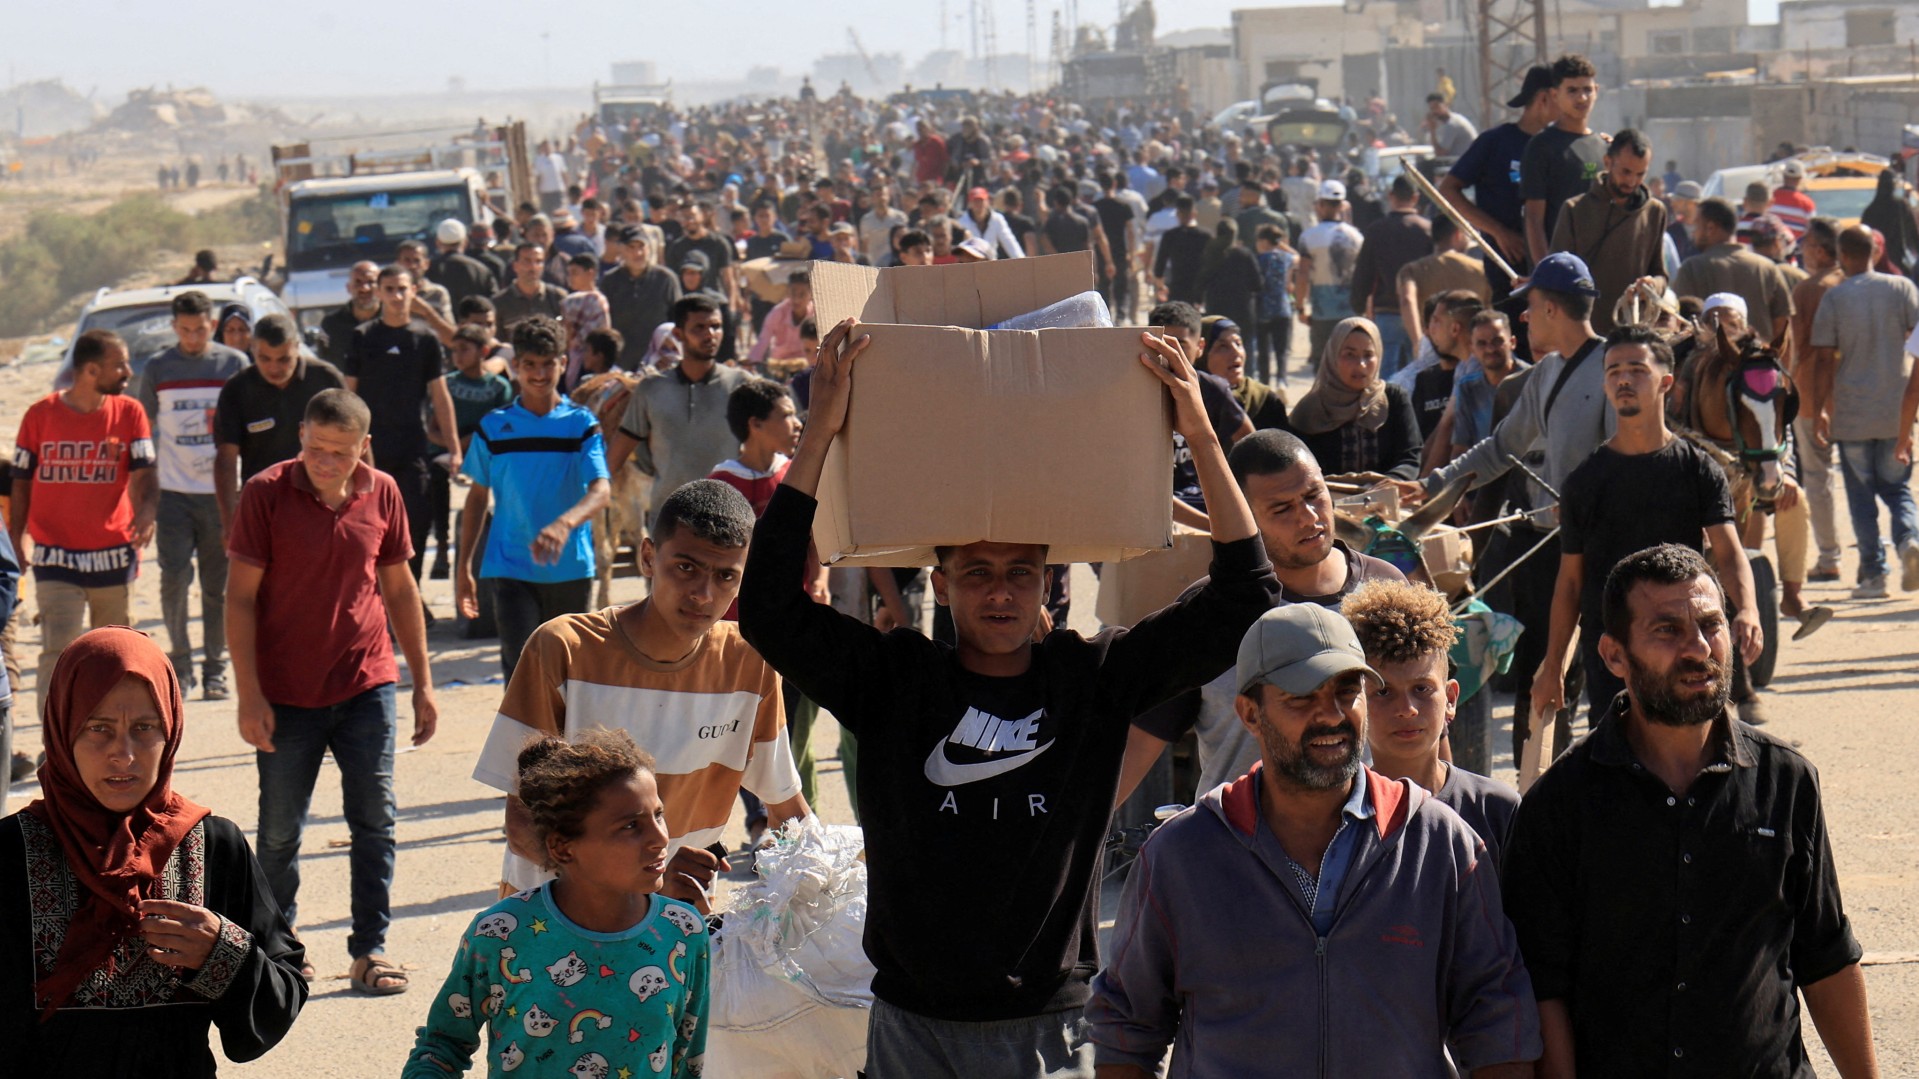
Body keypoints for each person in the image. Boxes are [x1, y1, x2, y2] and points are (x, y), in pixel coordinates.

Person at [738, 320, 1278, 1078]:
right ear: (941, 584)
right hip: (910, 1030)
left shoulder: (1093, 678)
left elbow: (1246, 594)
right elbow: (765, 608)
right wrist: (821, 431)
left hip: (1050, 1032)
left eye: (1019, 572)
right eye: (977, 571)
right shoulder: (894, 682)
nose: (998, 591)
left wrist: (1195, 427)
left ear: (1047, 583)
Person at [1088, 603, 1540, 1079]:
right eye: (1300, 698)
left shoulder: (1440, 843)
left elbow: (1496, 1019)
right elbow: (1125, 1028)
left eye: (1348, 692)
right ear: (1249, 713)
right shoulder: (1181, 855)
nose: (1331, 716)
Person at [1502, 544, 1879, 1078]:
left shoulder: (1786, 781)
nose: (1698, 648)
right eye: (1667, 630)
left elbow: (1827, 956)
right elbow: (1545, 988)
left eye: (1710, 624)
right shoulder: (1560, 804)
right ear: (1613, 655)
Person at [474, 479, 808, 898]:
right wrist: (642, 888)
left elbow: (787, 811)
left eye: (725, 576)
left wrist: (842, 880)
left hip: (674, 935)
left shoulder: (750, 664)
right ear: (648, 557)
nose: (703, 594)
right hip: (552, 930)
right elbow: (523, 824)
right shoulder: (564, 649)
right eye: (685, 567)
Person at [0, 627, 307, 1074]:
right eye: (98, 729)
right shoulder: (10, 854)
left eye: (144, 728)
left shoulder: (214, 845)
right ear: (63, 731)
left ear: (171, 731)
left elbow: (282, 995)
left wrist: (225, 952)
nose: (123, 755)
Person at [226, 389, 438, 997]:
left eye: (339, 452)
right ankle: (279, 947)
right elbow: (239, 598)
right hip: (285, 692)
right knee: (278, 832)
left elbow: (400, 590)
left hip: (366, 681)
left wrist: (423, 682)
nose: (325, 461)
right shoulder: (265, 493)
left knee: (375, 820)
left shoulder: (384, 492)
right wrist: (249, 694)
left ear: (362, 448)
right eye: (316, 448)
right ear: (300, 436)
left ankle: (370, 949)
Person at [1122, 430, 1405, 804]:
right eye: (1282, 509)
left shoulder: (1386, 589)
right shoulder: (1214, 614)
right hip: (1236, 850)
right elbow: (1138, 746)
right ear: (1242, 516)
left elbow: (1428, 733)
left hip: (1367, 845)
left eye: (1313, 496)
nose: (1308, 518)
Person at [406, 730, 709, 1079]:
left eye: (659, 815)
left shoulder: (684, 931)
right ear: (563, 848)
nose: (660, 838)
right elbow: (442, 1045)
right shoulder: (500, 933)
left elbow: (689, 1060)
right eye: (630, 826)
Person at [1405, 253, 1612, 761]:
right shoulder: (1544, 375)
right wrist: (1436, 483)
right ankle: (1533, 793)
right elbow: (1501, 449)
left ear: (1551, 311)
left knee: (1608, 677)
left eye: (1531, 305)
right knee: (1540, 677)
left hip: (1606, 550)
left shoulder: (1615, 365)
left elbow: (1626, 454)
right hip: (1546, 549)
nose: (1522, 317)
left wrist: (1587, 503)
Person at [1536, 325, 1762, 732]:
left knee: (1694, 754)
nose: (1624, 379)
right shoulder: (1584, 483)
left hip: (1686, 647)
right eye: (1614, 371)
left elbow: (1729, 553)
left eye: (1637, 370)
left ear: (1666, 384)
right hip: (1615, 657)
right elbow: (1570, 583)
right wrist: (1553, 666)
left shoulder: (1698, 470)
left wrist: (1747, 609)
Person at [455, 318, 610, 679]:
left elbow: (601, 490)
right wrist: (464, 566)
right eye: (530, 365)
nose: (539, 374)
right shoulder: (493, 427)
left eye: (548, 364)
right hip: (510, 568)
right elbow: (477, 497)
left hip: (570, 568)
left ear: (563, 363)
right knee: (522, 676)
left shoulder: (581, 424)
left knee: (570, 678)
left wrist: (563, 524)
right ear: (515, 368)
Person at [9, 330, 157, 704]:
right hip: (56, 557)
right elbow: (21, 483)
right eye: (119, 364)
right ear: (91, 370)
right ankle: (55, 745)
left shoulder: (130, 412)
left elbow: (144, 472)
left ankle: (109, 741)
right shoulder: (40, 415)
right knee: (59, 653)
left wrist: (147, 511)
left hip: (113, 555)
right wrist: (16, 538)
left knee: (117, 657)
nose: (127, 370)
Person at [1342, 578, 1520, 864]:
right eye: (1384, 692)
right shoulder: (1341, 818)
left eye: (1422, 689)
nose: (1407, 709)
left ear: (1450, 699)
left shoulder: (1496, 809)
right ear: (1357, 704)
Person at [138, 290, 249, 699]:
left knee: (218, 585)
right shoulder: (158, 367)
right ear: (174, 327)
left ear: (212, 324)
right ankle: (179, 667)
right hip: (173, 493)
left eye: (200, 329)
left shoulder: (233, 364)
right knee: (173, 579)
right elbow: (142, 428)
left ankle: (216, 669)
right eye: (185, 330)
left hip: (221, 494)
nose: (193, 337)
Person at [1805, 224, 1919, 597]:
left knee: (1861, 497)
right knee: (1898, 488)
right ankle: (1908, 541)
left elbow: (1823, 360)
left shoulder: (1836, 299)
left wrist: (1821, 408)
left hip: (1851, 414)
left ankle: (1873, 575)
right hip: (1895, 409)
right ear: (1873, 252)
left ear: (1842, 256)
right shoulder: (1902, 289)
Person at [342, 265, 462, 587]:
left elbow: (440, 395)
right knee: (368, 526)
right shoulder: (363, 337)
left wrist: (454, 449)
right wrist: (345, 446)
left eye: (402, 289)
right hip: (370, 451)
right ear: (379, 293)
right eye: (390, 289)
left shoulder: (424, 341)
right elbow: (347, 394)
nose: (396, 296)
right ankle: (375, 599)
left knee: (417, 525)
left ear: (413, 292)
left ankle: (411, 593)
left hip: (412, 448)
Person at [608, 296, 750, 530]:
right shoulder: (651, 389)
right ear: (679, 334)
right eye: (699, 328)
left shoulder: (740, 385)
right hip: (669, 523)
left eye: (716, 326)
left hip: (729, 521)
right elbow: (617, 454)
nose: (710, 334)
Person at [212, 314, 346, 535]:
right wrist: (230, 520)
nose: (274, 368)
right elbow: (226, 459)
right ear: (253, 348)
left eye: (283, 359)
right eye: (265, 358)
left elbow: (357, 444)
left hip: (325, 505)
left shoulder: (326, 380)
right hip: (264, 509)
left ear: (296, 347)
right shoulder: (237, 390)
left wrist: (366, 502)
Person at [1441, 63, 1557, 296]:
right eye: (1562, 95)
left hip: (1556, 270)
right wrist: (1498, 232)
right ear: (1543, 99)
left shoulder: (1561, 146)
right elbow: (1449, 190)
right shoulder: (1495, 142)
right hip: (1508, 270)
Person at [1549, 128, 1668, 334]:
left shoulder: (1655, 212)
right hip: (1583, 336)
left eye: (1640, 174)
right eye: (1626, 172)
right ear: (1607, 162)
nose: (1632, 181)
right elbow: (1556, 279)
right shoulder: (1575, 210)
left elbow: (1660, 274)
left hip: (1632, 335)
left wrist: (1651, 286)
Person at [1287, 317, 1422, 480]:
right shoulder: (1310, 410)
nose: (1361, 365)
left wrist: (1390, 483)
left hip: (1388, 497)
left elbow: (1410, 456)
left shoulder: (1393, 399)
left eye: (1368, 355)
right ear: (1333, 355)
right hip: (1329, 499)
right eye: (1350, 354)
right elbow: (1297, 469)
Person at [1788, 217, 1847, 583]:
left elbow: (1796, 349)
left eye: (1806, 245)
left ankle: (1829, 556)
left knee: (1817, 473)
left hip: (1812, 392)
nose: (1802, 251)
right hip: (1855, 393)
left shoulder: (1809, 290)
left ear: (1821, 251)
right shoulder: (1851, 284)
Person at [1672, 197, 1795, 348]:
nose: (1694, 233)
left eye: (1696, 225)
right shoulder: (1767, 268)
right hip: (1758, 366)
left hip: (1710, 367)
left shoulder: (1691, 268)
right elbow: (1783, 328)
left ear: (1710, 228)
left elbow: (1680, 323)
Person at [1522, 54, 1606, 265]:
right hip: (1562, 268)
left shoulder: (1605, 147)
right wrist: (1547, 271)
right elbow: (1533, 218)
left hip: (1600, 268)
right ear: (1555, 94)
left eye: (1587, 89)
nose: (1582, 98)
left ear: (1597, 91)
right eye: (1572, 90)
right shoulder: (1542, 146)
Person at [1348, 174, 1432, 376]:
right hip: (1420, 313)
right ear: (1416, 197)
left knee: (1386, 374)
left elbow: (1364, 273)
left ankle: (1388, 408)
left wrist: (1358, 305)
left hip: (1386, 311)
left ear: (1391, 196)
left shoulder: (1377, 230)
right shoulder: (1427, 229)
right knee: (1420, 371)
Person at [1295, 180, 1365, 362]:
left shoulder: (1308, 237)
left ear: (1320, 205)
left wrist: (1300, 306)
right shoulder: (1356, 236)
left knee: (1323, 363)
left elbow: (1302, 275)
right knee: (1349, 360)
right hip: (1351, 310)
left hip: (1321, 312)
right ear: (1342, 205)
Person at [1396, 215, 1492, 345]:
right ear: (1458, 234)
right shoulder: (1480, 269)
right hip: (1471, 344)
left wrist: (1417, 342)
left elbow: (1407, 300)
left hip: (1432, 343)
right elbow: (1489, 310)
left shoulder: (1412, 270)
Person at [602, 226, 683, 370]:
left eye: (641, 247)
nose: (637, 253)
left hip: (659, 363)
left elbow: (679, 321)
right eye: (631, 247)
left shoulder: (665, 280)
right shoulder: (610, 281)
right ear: (621, 250)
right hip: (621, 363)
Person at [1199, 317, 1287, 431]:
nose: (1236, 353)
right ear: (1201, 354)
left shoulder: (1265, 401)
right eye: (1223, 346)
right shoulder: (1188, 400)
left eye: (1238, 344)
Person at [1251, 223, 1297, 382]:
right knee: (1281, 351)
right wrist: (1281, 245)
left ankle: (1264, 384)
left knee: (1263, 352)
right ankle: (1281, 381)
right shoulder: (1286, 258)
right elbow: (1297, 257)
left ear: (1263, 241)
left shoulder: (1257, 259)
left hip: (1262, 310)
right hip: (1283, 308)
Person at [559, 253, 611, 390]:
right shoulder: (568, 301)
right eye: (568, 273)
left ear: (590, 274)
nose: (570, 278)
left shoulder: (597, 301)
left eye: (575, 273)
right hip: (569, 359)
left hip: (592, 362)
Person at [1198, 219, 1261, 332]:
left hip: (1216, 308)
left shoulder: (1210, 253)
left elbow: (1201, 281)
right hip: (1242, 309)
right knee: (1244, 346)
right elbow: (1257, 284)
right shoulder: (1244, 254)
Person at [317, 261, 382, 367]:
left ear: (380, 287)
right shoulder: (331, 324)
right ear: (348, 287)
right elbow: (325, 367)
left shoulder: (394, 321)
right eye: (358, 282)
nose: (364, 288)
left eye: (371, 282)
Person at [490, 242, 567, 328]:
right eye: (527, 261)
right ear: (515, 266)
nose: (533, 267)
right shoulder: (499, 302)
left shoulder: (558, 297)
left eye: (538, 261)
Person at [1860, 168, 1919, 280]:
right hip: (1900, 258)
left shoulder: (1870, 210)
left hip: (1877, 260)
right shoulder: (1901, 206)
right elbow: (1913, 232)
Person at [1151, 194, 1209, 305]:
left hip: (1177, 287)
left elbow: (1160, 263)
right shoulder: (1205, 237)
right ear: (1194, 214)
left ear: (1178, 214)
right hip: (1198, 289)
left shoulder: (1170, 236)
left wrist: (1160, 285)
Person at [955, 185, 1024, 259]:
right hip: (971, 265)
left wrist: (1022, 262)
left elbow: (1010, 242)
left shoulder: (997, 219)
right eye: (975, 201)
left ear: (987, 202)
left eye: (981, 201)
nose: (978, 204)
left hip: (991, 264)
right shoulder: (962, 222)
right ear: (970, 204)